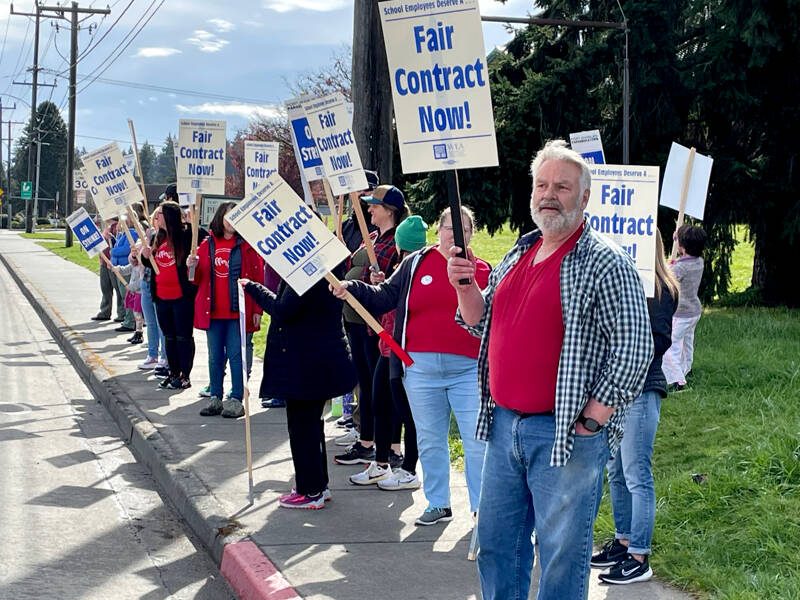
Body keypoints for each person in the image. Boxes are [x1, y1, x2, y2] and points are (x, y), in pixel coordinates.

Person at [447, 140, 653, 600]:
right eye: (542, 184)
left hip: (565, 435)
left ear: (584, 198)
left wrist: (592, 418)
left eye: (562, 186)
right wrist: (464, 287)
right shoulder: (521, 252)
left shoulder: (605, 261)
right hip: (503, 427)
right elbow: (483, 324)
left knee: (561, 556)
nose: (548, 194)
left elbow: (635, 348)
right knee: (498, 549)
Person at [334, 207, 491, 524]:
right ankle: (438, 503)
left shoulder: (484, 270)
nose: (456, 234)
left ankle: (482, 510)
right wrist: (353, 288)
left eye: (464, 228)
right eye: (450, 227)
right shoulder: (415, 263)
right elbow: (385, 295)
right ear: (438, 231)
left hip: (468, 372)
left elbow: (491, 315)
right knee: (431, 439)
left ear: (472, 234)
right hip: (420, 371)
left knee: (476, 444)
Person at [591, 231, 679, 584]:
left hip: (641, 391)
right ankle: (624, 540)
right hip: (615, 392)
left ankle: (639, 556)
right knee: (616, 471)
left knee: (636, 473)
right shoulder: (618, 286)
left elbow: (658, 342)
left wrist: (625, 336)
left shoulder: (660, 290)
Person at [242, 257, 357, 510]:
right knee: (311, 425)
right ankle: (318, 484)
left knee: (302, 427)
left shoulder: (306, 271)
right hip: (316, 358)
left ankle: (310, 490)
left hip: (306, 361)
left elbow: (284, 309)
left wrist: (253, 288)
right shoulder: (326, 265)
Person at [341, 215, 429, 488]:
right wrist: (369, 283)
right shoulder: (401, 268)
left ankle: (409, 468)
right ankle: (381, 463)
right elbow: (384, 295)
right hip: (389, 347)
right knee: (380, 401)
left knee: (407, 411)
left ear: (403, 245)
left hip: (405, 350)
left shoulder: (416, 269)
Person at [335, 184, 409, 466]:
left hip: (380, 326)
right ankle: (367, 441)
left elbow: (397, 279)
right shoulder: (374, 237)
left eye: (374, 206)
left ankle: (390, 447)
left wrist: (381, 277)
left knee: (383, 390)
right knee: (366, 384)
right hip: (359, 322)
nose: (369, 210)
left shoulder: (396, 242)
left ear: (389, 210)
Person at [188, 202, 264, 419]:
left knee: (236, 355)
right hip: (212, 312)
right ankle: (215, 397)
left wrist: (257, 308)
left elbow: (258, 280)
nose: (232, 220)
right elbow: (194, 280)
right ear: (220, 217)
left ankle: (236, 398)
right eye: (229, 215)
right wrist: (191, 265)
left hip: (237, 313)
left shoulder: (247, 247)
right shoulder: (206, 245)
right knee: (214, 357)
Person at [140, 198, 203, 390]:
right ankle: (173, 372)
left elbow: (199, 242)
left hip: (181, 296)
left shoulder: (185, 237)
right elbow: (151, 264)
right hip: (161, 296)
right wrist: (144, 256)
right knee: (168, 336)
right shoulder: (155, 238)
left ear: (168, 217)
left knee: (183, 336)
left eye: (159, 214)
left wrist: (195, 259)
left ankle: (185, 375)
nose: (155, 217)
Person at [662, 224, 707, 391]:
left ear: (681, 246)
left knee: (670, 345)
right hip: (694, 311)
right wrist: (678, 239)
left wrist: (668, 264)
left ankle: (677, 380)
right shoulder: (698, 262)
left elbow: (667, 278)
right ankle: (686, 369)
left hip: (681, 313)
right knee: (687, 343)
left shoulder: (680, 267)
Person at [138, 205, 168, 372]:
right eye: (155, 217)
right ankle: (152, 354)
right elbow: (142, 260)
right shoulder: (152, 236)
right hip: (147, 281)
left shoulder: (166, 238)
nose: (156, 220)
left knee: (160, 322)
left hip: (158, 284)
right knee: (150, 322)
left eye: (159, 216)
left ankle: (164, 356)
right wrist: (140, 253)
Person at [92, 217, 125, 322]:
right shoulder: (108, 227)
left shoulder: (118, 227)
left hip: (112, 263)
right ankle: (105, 311)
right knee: (105, 288)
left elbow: (118, 243)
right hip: (104, 262)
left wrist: (111, 237)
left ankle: (122, 313)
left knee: (118, 289)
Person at [110, 217, 139, 333]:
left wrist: (112, 251)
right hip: (120, 267)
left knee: (127, 294)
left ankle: (130, 321)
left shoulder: (132, 233)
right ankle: (128, 319)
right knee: (123, 295)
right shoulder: (122, 234)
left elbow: (125, 250)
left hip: (126, 266)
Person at [117, 249, 145, 345]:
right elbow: (125, 270)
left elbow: (142, 281)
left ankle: (139, 332)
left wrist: (131, 287)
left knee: (139, 315)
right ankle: (137, 331)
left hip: (140, 292)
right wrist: (117, 269)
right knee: (135, 313)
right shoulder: (134, 265)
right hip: (134, 292)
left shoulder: (143, 267)